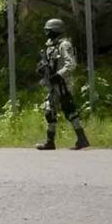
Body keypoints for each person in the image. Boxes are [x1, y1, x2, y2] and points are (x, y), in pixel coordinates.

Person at [35, 18, 90, 150]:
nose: (46, 33)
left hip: (63, 83)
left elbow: (71, 64)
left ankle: (82, 139)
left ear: (55, 30)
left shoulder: (64, 45)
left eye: (48, 30)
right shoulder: (50, 46)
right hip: (53, 84)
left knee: (69, 110)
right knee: (50, 111)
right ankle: (50, 141)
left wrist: (58, 75)